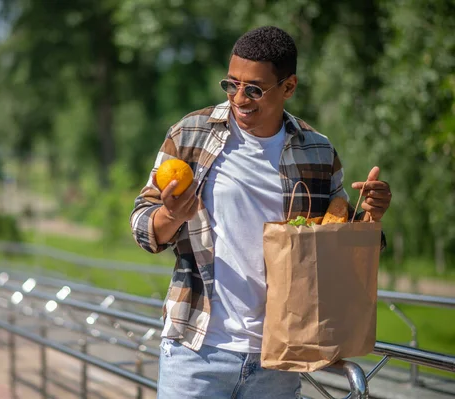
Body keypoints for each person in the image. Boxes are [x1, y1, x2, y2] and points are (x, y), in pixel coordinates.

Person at [130, 26, 392, 399]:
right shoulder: (190, 135)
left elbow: (337, 245)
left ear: (289, 87)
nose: (240, 97)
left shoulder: (316, 151)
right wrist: (171, 216)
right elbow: (141, 222)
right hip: (197, 351)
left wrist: (370, 218)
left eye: (254, 88)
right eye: (231, 84)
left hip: (280, 358)